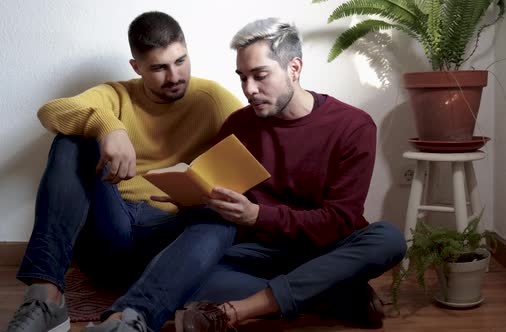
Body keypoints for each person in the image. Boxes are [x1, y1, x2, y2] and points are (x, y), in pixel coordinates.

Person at [4, 11, 243, 332]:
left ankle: (129, 320)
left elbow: (259, 137)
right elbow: (50, 111)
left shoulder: (211, 99)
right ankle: (45, 297)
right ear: (137, 67)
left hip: (168, 243)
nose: (174, 76)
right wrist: (108, 128)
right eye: (159, 67)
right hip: (108, 234)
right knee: (71, 140)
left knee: (222, 215)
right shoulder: (116, 95)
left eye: (181, 61)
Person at [173, 17, 407, 331]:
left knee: (388, 239)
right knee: (191, 276)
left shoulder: (353, 126)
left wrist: (257, 215)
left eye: (260, 76)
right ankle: (334, 295)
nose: (249, 90)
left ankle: (237, 311)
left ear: (294, 68)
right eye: (242, 78)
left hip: (328, 248)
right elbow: (218, 198)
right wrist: (189, 195)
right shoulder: (237, 125)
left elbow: (338, 220)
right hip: (262, 252)